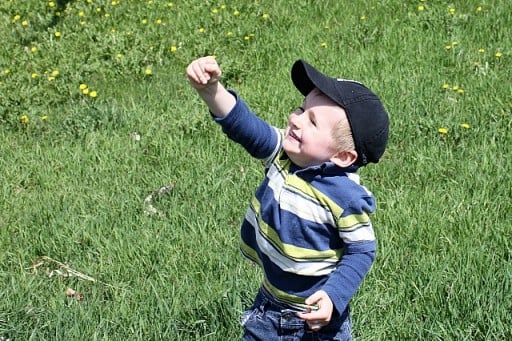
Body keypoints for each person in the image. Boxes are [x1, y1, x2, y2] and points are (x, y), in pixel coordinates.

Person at [186, 56, 389, 341]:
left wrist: (333, 297)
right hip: (267, 308)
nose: (295, 119)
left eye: (312, 121)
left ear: (343, 156)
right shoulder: (284, 154)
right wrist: (212, 91)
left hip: (315, 323)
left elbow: (362, 250)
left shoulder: (345, 197)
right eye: (301, 109)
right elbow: (246, 128)